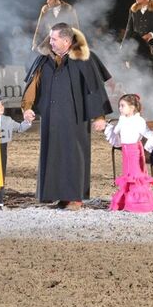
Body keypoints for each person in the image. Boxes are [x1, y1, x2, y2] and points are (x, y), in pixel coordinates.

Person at [22, 23, 112, 211]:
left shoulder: (84, 59)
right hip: (50, 117)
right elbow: (33, 84)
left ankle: (74, 197)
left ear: (66, 41)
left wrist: (99, 116)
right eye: (50, 38)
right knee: (53, 154)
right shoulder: (43, 60)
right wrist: (27, 107)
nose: (50, 42)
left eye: (54, 39)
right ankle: (58, 195)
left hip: (75, 118)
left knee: (73, 155)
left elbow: (94, 88)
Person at [103, 93, 153, 213]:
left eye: (123, 106)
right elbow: (116, 131)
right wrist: (110, 125)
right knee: (128, 175)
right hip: (125, 151)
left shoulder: (139, 121)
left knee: (135, 176)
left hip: (135, 151)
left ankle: (139, 204)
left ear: (132, 107)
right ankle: (126, 201)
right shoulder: (122, 119)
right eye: (119, 106)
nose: (120, 108)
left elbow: (147, 133)